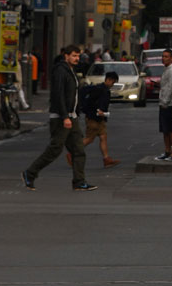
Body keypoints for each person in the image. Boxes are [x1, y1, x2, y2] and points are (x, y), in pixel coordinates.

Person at [22, 45, 96, 191]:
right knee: (55, 149)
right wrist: (64, 117)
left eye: (78, 56)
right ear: (66, 56)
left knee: (78, 150)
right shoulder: (60, 70)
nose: (77, 59)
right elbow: (58, 95)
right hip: (61, 117)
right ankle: (30, 173)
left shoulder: (71, 71)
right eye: (74, 56)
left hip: (71, 117)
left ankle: (79, 182)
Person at [81, 70, 121, 167]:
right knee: (89, 138)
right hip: (94, 118)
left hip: (99, 119)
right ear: (108, 80)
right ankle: (73, 152)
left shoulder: (101, 89)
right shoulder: (101, 90)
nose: (113, 84)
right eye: (113, 82)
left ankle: (106, 159)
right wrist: (98, 111)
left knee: (103, 137)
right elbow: (94, 103)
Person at [156, 48, 172, 161]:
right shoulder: (166, 69)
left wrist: (165, 101)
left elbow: (171, 87)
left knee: (170, 129)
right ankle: (167, 151)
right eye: (163, 56)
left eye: (166, 56)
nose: (163, 58)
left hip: (169, 103)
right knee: (164, 130)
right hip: (163, 102)